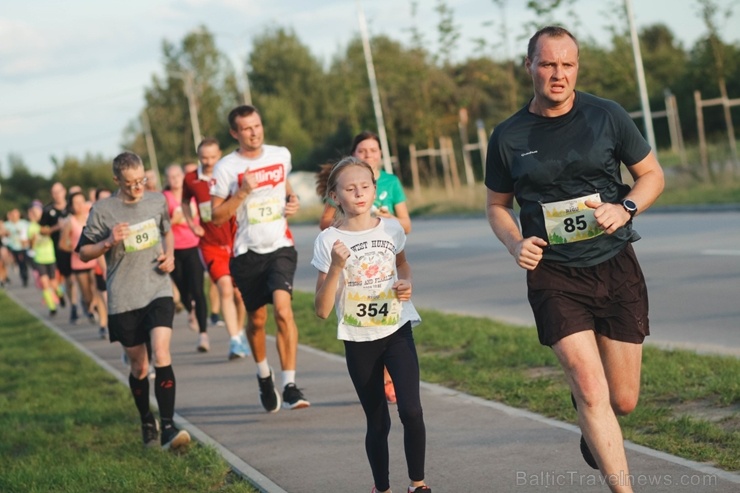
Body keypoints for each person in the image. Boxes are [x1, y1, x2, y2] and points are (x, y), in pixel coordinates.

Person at [485, 26, 664, 492]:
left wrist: (624, 208)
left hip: (614, 265)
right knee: (590, 386)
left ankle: (593, 416)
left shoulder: (607, 116)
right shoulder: (507, 136)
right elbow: (496, 205)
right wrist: (514, 243)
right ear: (529, 67)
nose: (558, 74)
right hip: (554, 274)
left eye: (567, 64)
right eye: (547, 64)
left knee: (621, 400)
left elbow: (651, 176)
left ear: (577, 67)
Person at [313, 157, 430, 493]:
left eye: (365, 186)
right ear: (335, 196)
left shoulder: (391, 228)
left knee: (411, 410)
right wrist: (336, 266)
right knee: (378, 421)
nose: (359, 193)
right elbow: (321, 310)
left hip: (397, 328)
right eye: (350, 189)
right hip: (359, 338)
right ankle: (382, 488)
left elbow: (403, 267)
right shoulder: (328, 241)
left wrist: (406, 283)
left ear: (374, 190)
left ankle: (418, 484)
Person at [77, 151, 190, 450]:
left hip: (157, 289)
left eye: (141, 180)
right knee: (139, 367)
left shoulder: (156, 201)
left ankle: (168, 427)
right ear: (117, 181)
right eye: (130, 183)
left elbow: (166, 232)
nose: (138, 187)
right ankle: (146, 421)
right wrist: (107, 241)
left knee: (162, 353)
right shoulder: (103, 211)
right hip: (124, 298)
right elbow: (83, 252)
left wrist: (171, 256)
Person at [211, 104, 310, 412]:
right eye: (246, 128)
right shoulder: (226, 168)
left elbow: (285, 186)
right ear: (234, 133)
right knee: (256, 320)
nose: (254, 132)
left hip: (280, 245)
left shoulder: (280, 154)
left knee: (283, 311)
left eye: (257, 125)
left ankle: (290, 385)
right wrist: (241, 193)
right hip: (246, 253)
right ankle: (264, 376)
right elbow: (215, 217)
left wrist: (293, 201)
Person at [318, 130, 412, 405]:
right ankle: (382, 378)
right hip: (351, 263)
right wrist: (345, 230)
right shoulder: (345, 181)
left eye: (373, 150)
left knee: (391, 335)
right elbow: (326, 221)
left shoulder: (391, 183)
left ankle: (392, 377)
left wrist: (388, 219)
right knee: (376, 416)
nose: (369, 155)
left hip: (384, 254)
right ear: (353, 155)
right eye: (363, 151)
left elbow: (404, 226)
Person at [182, 137, 250, 360]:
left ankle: (239, 333)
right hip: (210, 245)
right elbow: (184, 202)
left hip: (236, 240)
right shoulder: (191, 179)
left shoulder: (229, 172)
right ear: (198, 156)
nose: (209, 162)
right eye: (204, 157)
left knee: (241, 296)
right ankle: (234, 340)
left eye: (212, 157)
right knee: (225, 288)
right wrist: (192, 224)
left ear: (219, 154)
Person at [163, 164, 210, 352]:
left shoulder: (191, 194)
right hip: (175, 249)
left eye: (177, 175)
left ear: (183, 176)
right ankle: (190, 309)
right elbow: (161, 224)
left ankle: (203, 335)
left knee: (198, 290)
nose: (174, 179)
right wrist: (173, 219)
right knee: (183, 290)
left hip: (194, 245)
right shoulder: (164, 198)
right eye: (170, 176)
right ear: (166, 179)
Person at [62, 191, 108, 338]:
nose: (80, 205)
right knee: (88, 296)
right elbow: (62, 244)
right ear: (71, 205)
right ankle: (87, 305)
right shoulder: (70, 222)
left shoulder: (91, 217)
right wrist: (77, 250)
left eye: (82, 202)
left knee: (98, 292)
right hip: (79, 263)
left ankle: (103, 325)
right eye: (76, 203)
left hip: (95, 260)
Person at [39, 182, 78, 321]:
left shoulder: (71, 206)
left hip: (76, 247)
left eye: (59, 191)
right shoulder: (48, 210)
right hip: (60, 249)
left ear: (64, 191)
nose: (57, 195)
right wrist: (55, 227)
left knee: (84, 278)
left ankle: (88, 302)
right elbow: (42, 229)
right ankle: (73, 305)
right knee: (69, 279)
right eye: (54, 192)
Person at [27, 202, 60, 316]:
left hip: (50, 257)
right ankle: (52, 307)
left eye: (37, 212)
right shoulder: (31, 227)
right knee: (45, 283)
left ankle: (59, 294)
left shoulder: (46, 223)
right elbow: (30, 246)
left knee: (54, 284)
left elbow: (50, 232)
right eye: (33, 212)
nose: (35, 214)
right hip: (39, 259)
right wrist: (33, 240)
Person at [3, 208, 30, 287]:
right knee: (16, 262)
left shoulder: (24, 223)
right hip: (12, 247)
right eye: (13, 214)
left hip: (23, 247)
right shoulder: (7, 224)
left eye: (16, 214)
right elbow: (3, 233)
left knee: (23, 263)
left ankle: (25, 276)